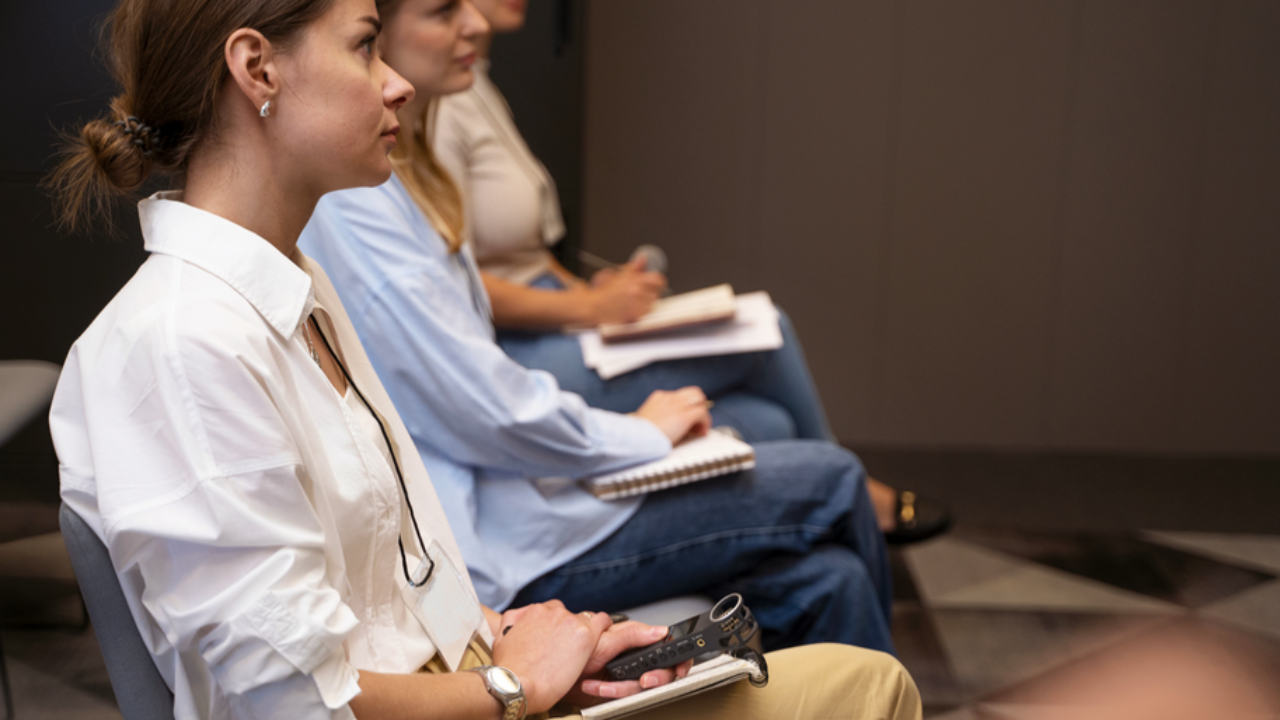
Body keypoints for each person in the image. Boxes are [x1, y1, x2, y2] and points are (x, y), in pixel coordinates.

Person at [46, 0, 922, 718]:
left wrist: (514, 642)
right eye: (363, 46)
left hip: (474, 684)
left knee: (840, 650)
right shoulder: (180, 342)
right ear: (257, 69)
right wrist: (511, 686)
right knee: (867, 682)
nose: (393, 83)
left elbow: (375, 602)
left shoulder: (293, 285)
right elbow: (297, 705)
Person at [300, 0, 896, 656]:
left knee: (831, 580)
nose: (475, 24)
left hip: (522, 501)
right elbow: (483, 408)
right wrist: (639, 434)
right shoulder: (356, 202)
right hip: (498, 546)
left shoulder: (407, 174)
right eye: (368, 47)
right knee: (834, 477)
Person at [430, 0, 949, 543]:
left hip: (553, 318)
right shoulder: (436, 112)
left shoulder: (477, 86)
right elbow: (459, 282)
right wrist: (589, 309)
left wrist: (591, 290)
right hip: (515, 350)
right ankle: (852, 493)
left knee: (766, 419)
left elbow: (521, 253)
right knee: (764, 330)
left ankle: (808, 529)